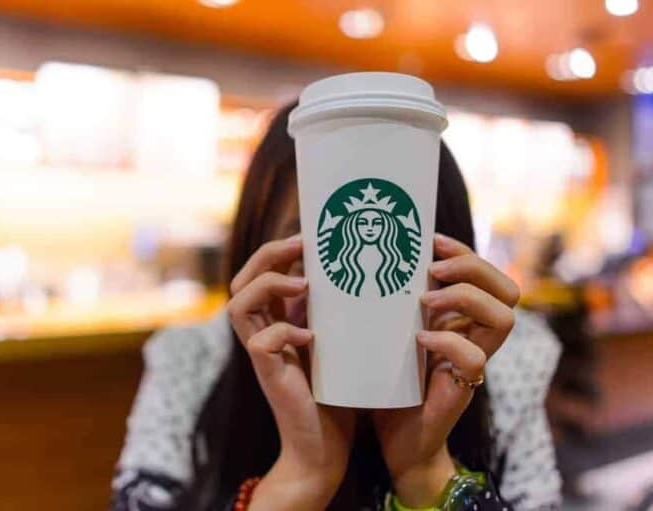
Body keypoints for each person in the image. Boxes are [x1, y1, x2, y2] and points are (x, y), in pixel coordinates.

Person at [111, 103, 562, 510]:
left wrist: (424, 472)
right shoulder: (191, 363)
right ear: (255, 247)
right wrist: (300, 477)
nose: (339, 297)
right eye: (305, 252)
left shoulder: (503, 370)